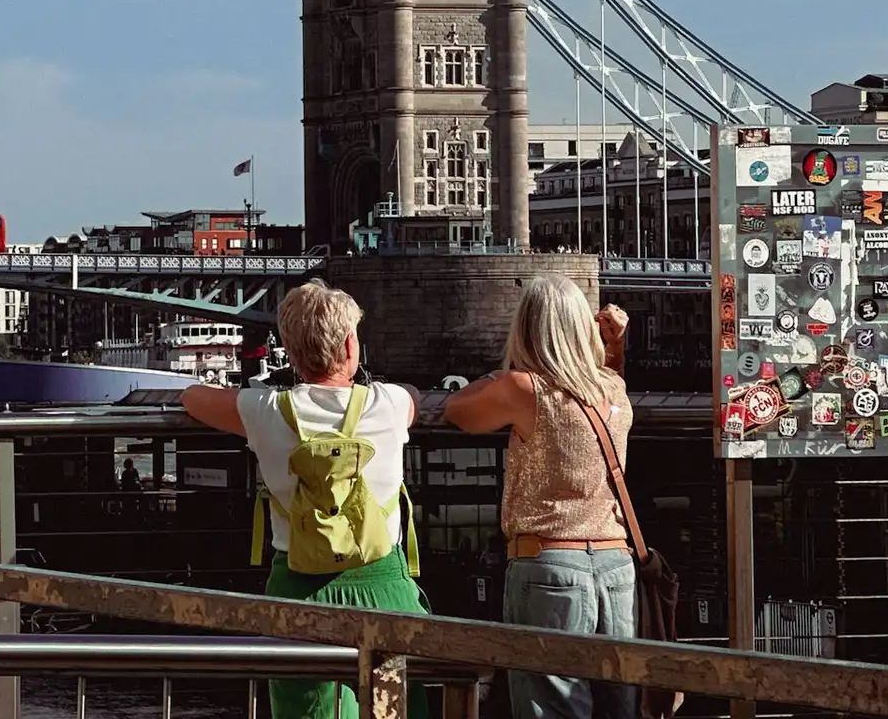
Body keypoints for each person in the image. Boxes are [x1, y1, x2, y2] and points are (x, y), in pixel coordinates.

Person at [182, 281, 425, 719]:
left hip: (300, 589)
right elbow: (416, 399)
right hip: (383, 584)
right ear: (351, 346)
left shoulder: (265, 411)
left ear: (291, 353)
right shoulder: (388, 404)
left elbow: (192, 399)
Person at [443, 274, 634, 719]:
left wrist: (506, 368)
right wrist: (611, 352)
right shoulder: (614, 390)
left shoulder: (526, 390)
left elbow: (458, 410)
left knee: (553, 707)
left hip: (550, 567)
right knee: (618, 705)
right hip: (616, 567)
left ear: (529, 329)